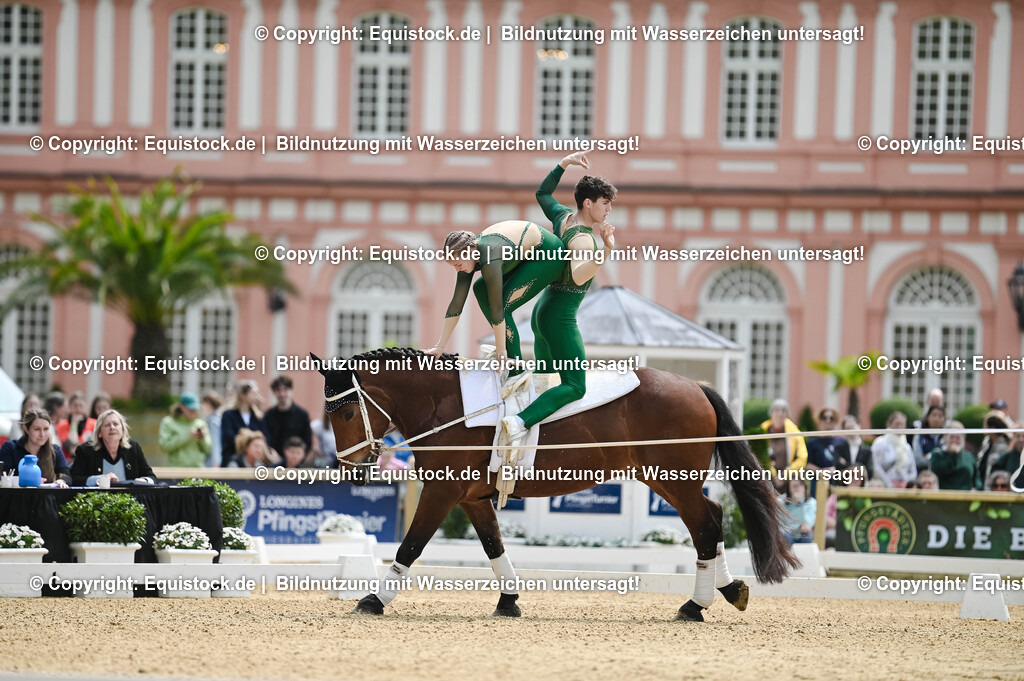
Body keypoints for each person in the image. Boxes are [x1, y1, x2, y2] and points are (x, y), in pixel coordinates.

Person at [498, 152, 618, 448]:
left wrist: (563, 163)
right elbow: (579, 275)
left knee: (545, 380)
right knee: (575, 386)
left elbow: (542, 193)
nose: (609, 210)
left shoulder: (561, 217)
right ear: (588, 203)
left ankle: (531, 441)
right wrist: (606, 249)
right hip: (560, 318)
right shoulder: (582, 238)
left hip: (543, 310)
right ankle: (517, 423)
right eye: (605, 203)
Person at [423, 219, 567, 372]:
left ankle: (515, 369)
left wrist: (501, 351)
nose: (458, 270)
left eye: (458, 264)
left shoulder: (490, 257)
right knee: (480, 288)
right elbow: (456, 303)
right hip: (524, 255)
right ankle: (508, 354)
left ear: (470, 251)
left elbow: (498, 307)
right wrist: (440, 346)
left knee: (504, 305)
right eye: (454, 266)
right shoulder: (468, 258)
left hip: (549, 254)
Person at [71, 409, 155, 486]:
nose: (112, 428)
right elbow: (74, 479)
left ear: (122, 430)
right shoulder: (85, 451)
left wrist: (145, 481)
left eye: (116, 424)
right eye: (107, 425)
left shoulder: (133, 448)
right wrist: (100, 479)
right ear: (99, 433)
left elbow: (151, 477)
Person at [0, 409, 71, 486]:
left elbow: (66, 475)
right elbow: (3, 476)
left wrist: (61, 481)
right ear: (26, 429)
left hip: (46, 496)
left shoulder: (55, 450)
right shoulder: (10, 448)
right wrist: (29, 479)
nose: (42, 434)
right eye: (37, 429)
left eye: (46, 429)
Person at [220, 380, 268, 467]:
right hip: (232, 461)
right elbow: (229, 438)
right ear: (243, 395)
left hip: (254, 463)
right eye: (253, 394)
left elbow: (265, 437)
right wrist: (251, 440)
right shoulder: (228, 415)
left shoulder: (258, 417)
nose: (256, 397)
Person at [159, 393, 212, 468]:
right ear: (181, 407)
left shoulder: (201, 424)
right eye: (190, 409)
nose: (193, 412)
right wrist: (188, 436)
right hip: (176, 470)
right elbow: (164, 447)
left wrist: (202, 438)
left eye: (195, 409)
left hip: (198, 470)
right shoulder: (168, 422)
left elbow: (208, 449)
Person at [265, 375, 312, 456]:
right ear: (273, 392)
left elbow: (307, 442)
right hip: (273, 461)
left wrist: (298, 458)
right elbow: (266, 440)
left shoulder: (302, 415)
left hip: (296, 461)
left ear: (292, 390)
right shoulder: (268, 415)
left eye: (285, 390)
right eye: (278, 390)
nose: (282, 394)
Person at [760, 399, 808, 477]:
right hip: (766, 475)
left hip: (789, 477)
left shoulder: (794, 431)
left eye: (783, 410)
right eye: (776, 410)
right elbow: (757, 455)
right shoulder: (762, 430)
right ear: (771, 413)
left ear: (787, 414)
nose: (780, 413)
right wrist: (773, 474)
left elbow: (802, 457)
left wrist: (786, 474)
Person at [871, 411, 917, 488]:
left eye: (902, 424)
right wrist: (889, 483)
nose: (900, 426)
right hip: (884, 485)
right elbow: (876, 466)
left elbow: (913, 471)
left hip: (904, 486)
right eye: (897, 423)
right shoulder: (880, 442)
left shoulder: (907, 446)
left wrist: (906, 483)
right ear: (889, 424)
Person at [928, 421, 975, 490]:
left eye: (957, 438)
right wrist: (953, 455)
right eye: (952, 437)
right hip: (945, 495)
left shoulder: (969, 456)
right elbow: (938, 471)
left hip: (966, 496)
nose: (954, 440)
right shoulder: (938, 454)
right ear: (946, 437)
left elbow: (976, 478)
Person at [976, 409, 1011, 487]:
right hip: (982, 482)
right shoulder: (986, 444)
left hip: (994, 486)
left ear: (992, 428)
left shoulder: (1003, 447)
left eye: (986, 425)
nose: (983, 428)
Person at [779, 478, 816, 544]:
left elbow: (809, 524)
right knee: (784, 536)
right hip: (787, 532)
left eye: (801, 485)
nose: (798, 488)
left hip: (801, 532)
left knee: (808, 536)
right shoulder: (781, 501)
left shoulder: (811, 502)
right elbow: (778, 523)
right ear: (789, 489)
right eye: (795, 486)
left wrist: (801, 504)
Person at [912, 405, 946, 471]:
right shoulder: (919, 436)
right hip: (923, 475)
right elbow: (918, 460)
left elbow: (947, 460)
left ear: (944, 418)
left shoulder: (947, 437)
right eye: (934, 415)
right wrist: (937, 459)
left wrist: (927, 456)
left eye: (940, 416)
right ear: (927, 417)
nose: (936, 419)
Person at [201, 391, 224, 468]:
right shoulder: (215, 418)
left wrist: (216, 463)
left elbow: (215, 443)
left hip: (211, 464)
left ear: (208, 404)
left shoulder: (213, 421)